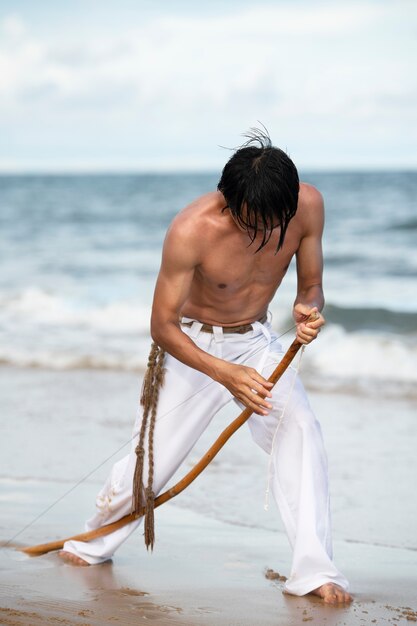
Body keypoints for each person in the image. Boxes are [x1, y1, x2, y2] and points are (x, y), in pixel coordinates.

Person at [59, 129, 352, 605]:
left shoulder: (309, 206)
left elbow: (312, 284)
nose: (265, 235)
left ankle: (314, 570)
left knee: (301, 431)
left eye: (275, 222)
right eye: (252, 222)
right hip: (193, 349)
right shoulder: (190, 229)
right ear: (229, 204)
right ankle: (91, 545)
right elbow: (161, 325)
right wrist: (223, 372)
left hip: (257, 342)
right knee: (149, 468)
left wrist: (308, 307)